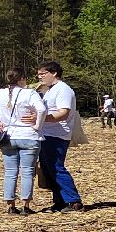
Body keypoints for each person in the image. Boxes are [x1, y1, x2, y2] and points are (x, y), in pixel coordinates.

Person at [0, 69, 45, 214]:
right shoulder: (30, 93)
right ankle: (26, 206)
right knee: (27, 171)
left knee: (10, 171)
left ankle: (11, 206)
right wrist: (37, 126)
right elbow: (42, 109)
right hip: (29, 135)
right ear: (21, 79)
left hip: (8, 136)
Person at [35, 61, 83, 212]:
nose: (40, 77)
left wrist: (40, 118)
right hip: (46, 134)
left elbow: (63, 113)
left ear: (54, 73)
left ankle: (74, 201)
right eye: (38, 74)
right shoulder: (50, 90)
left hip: (57, 134)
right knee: (48, 169)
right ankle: (60, 201)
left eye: (43, 74)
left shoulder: (63, 90)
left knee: (56, 167)